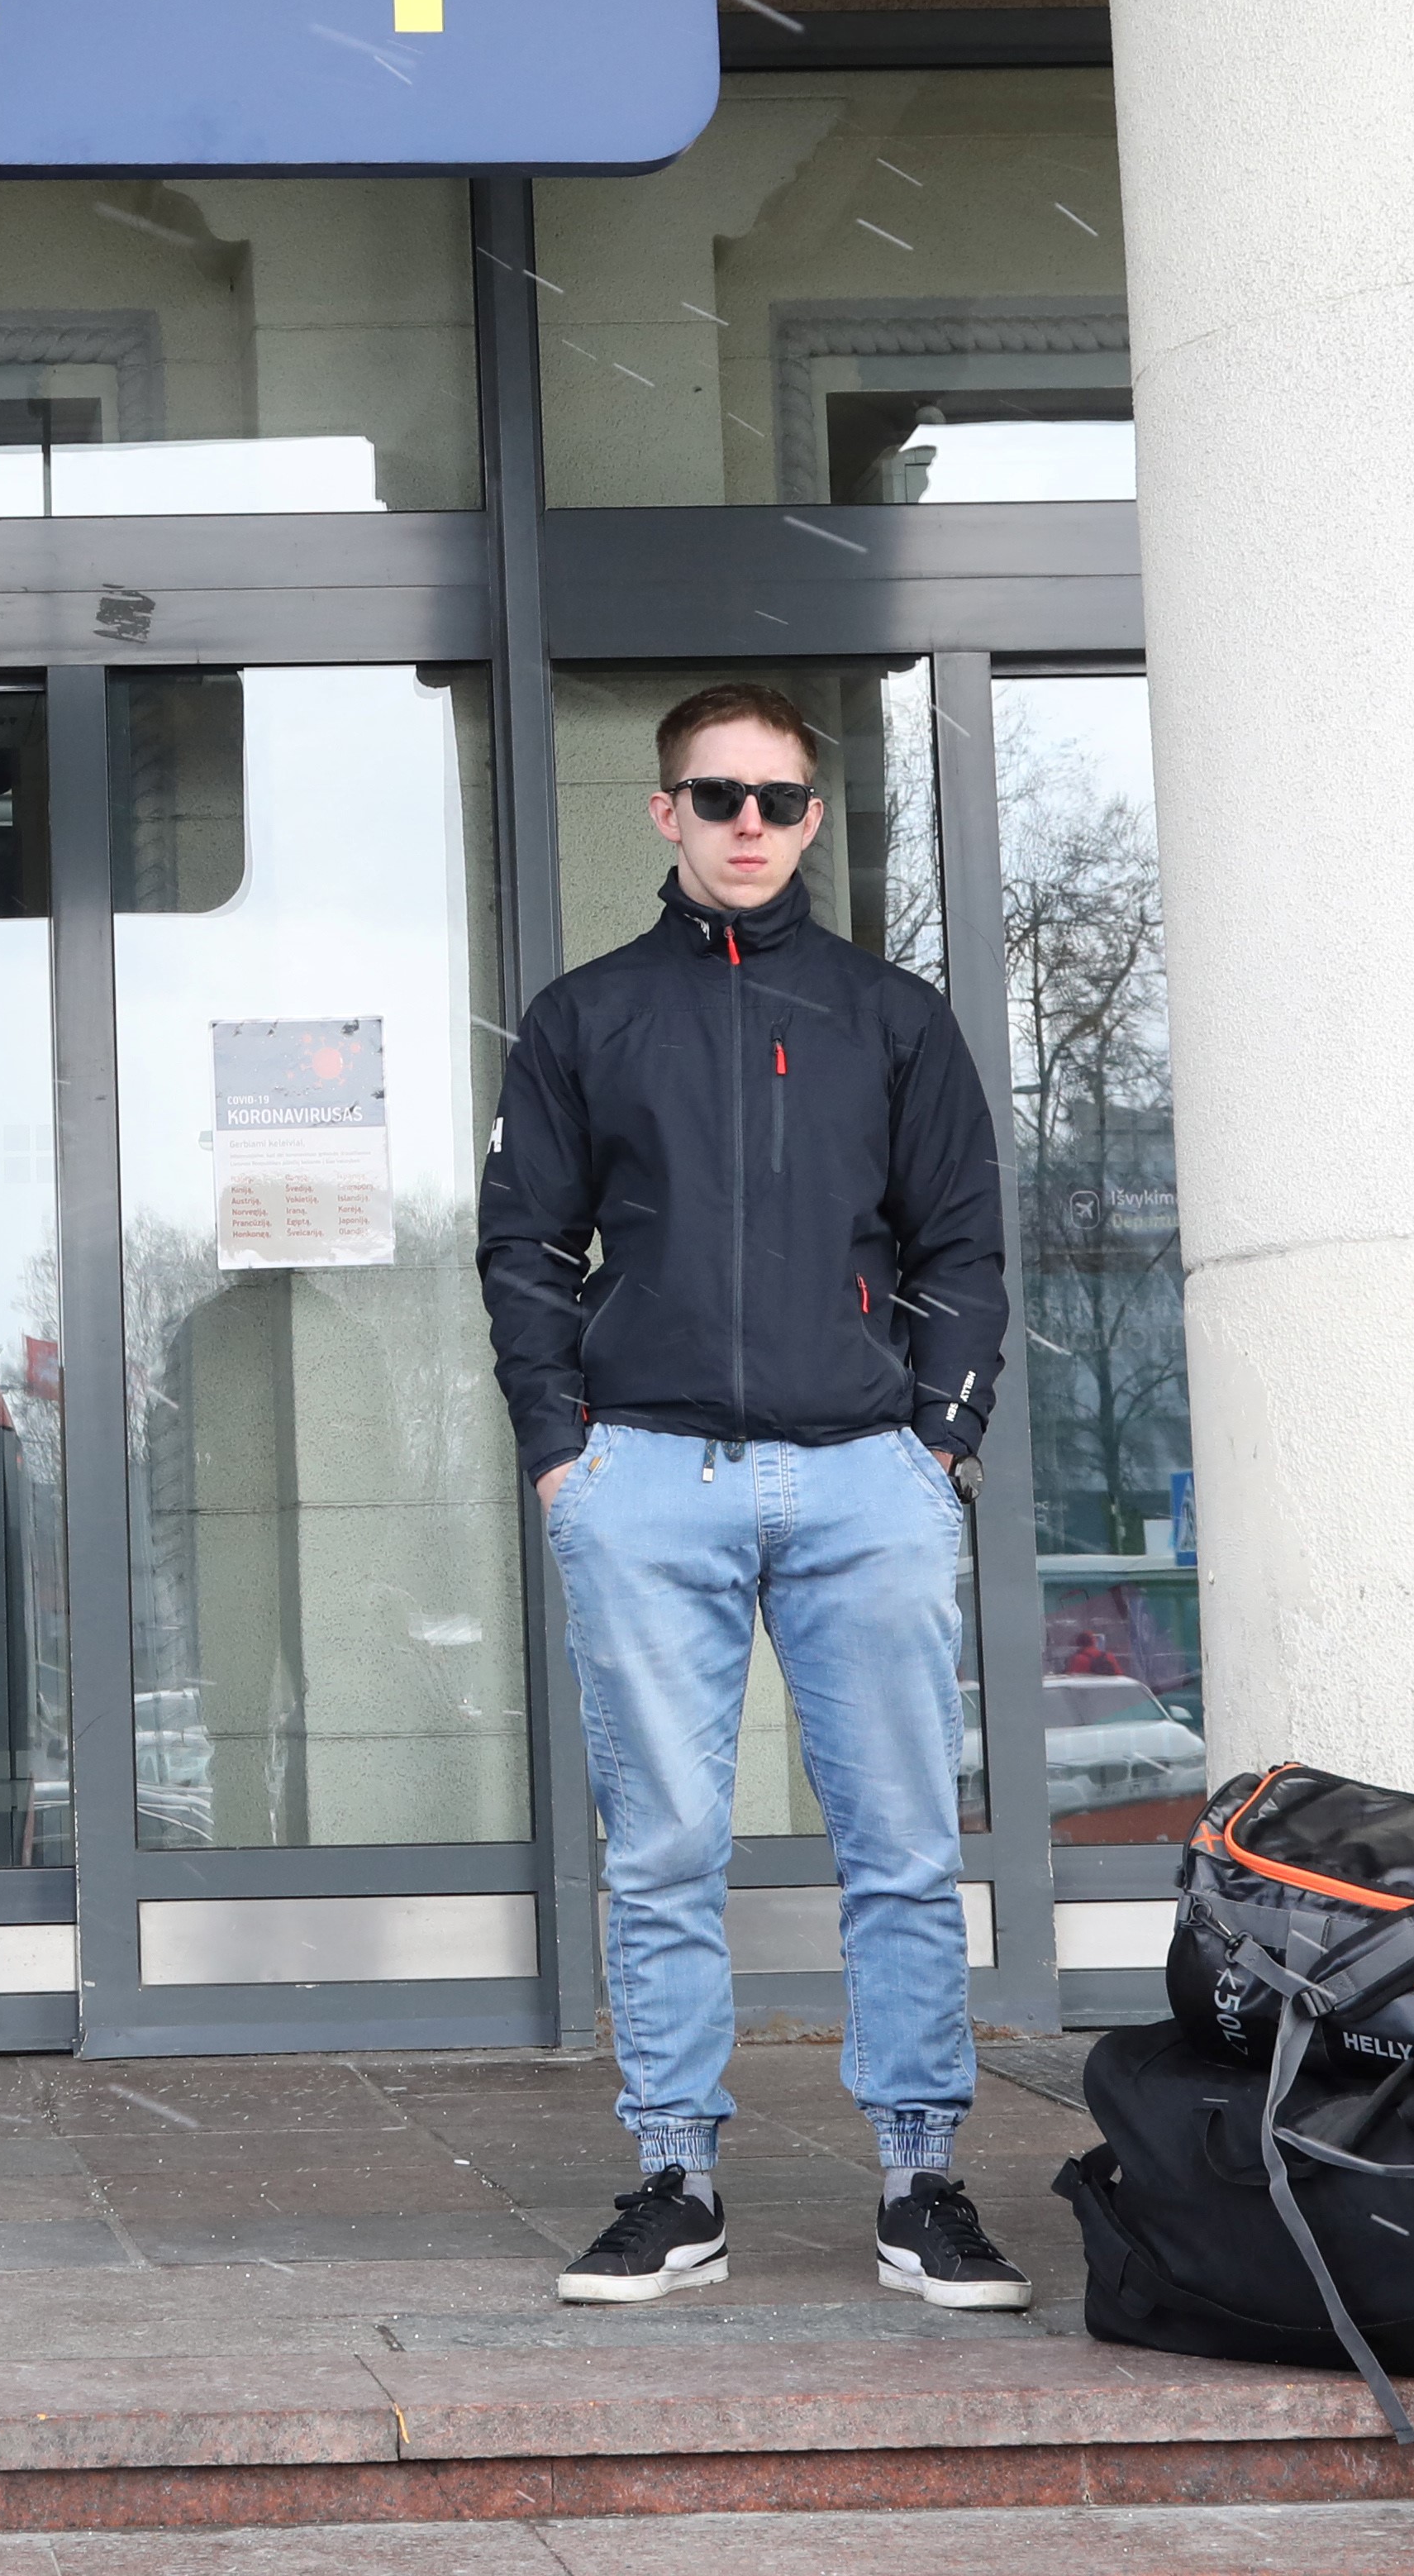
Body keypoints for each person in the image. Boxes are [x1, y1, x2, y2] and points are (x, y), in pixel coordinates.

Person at [478, 683, 1026, 2313]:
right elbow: (521, 1244)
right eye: (713, 794)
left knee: (903, 1848)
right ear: (662, 810)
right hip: (647, 1474)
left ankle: (920, 2182)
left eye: (776, 800)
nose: (744, 823)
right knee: (657, 1852)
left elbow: (961, 1245)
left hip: (865, 1478)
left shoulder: (889, 1015)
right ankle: (673, 2179)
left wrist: (936, 1433)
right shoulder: (585, 1018)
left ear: (807, 818)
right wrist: (557, 1445)